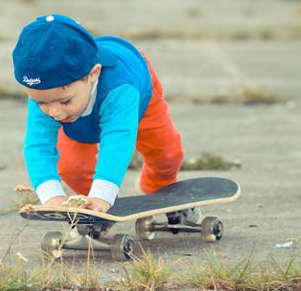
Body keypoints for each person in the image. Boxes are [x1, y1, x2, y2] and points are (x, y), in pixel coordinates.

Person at [12, 14, 195, 222]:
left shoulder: (121, 88)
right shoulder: (46, 92)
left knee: (166, 155)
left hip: (137, 99)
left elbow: (117, 141)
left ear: (93, 74)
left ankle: (158, 185)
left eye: (64, 102)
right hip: (81, 117)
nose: (54, 113)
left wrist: (103, 193)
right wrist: (52, 196)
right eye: (41, 103)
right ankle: (96, 208)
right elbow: (38, 145)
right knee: (73, 168)